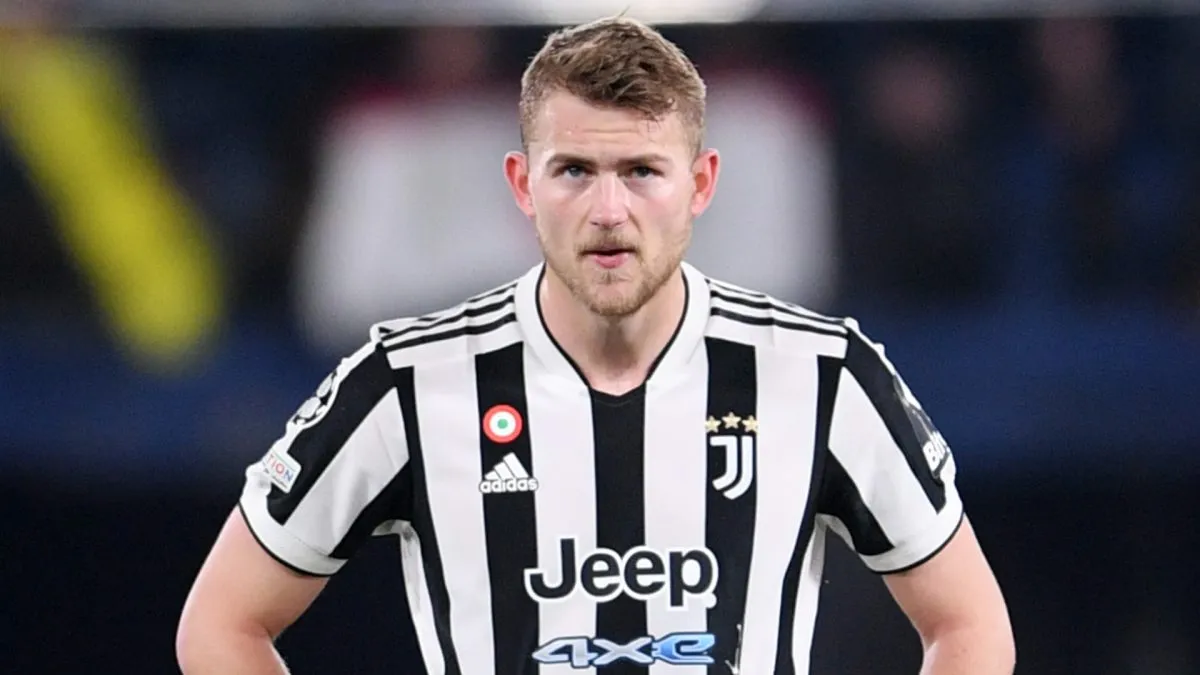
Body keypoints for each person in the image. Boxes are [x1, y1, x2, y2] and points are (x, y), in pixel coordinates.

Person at [176, 16, 1015, 674]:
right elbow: (220, 623)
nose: (609, 211)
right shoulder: (407, 382)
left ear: (700, 184)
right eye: (574, 170)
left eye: (642, 171)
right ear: (522, 184)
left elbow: (971, 624)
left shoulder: (821, 374)